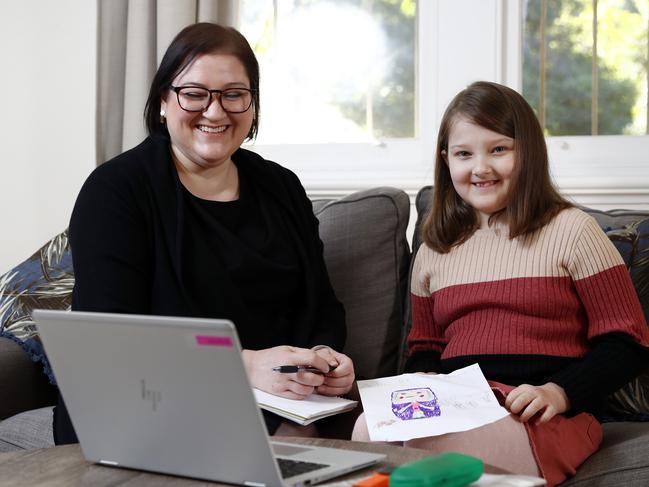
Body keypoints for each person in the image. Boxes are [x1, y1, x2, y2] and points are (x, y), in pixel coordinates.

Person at [55, 22, 354, 444]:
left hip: (287, 398)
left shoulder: (282, 186)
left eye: (234, 94)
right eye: (194, 94)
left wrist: (324, 357)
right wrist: (244, 365)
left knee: (391, 434)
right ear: (164, 100)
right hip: (153, 397)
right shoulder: (116, 190)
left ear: (252, 104)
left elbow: (323, 305)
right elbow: (112, 341)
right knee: (291, 443)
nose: (215, 112)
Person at [352, 81, 649, 486]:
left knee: (439, 448)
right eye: (463, 154)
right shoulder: (435, 249)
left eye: (499, 149)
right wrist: (423, 379)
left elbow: (628, 342)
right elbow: (426, 349)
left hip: (546, 413)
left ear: (528, 152)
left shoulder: (573, 230)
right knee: (367, 430)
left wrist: (557, 393)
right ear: (446, 161)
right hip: (462, 403)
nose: (481, 168)